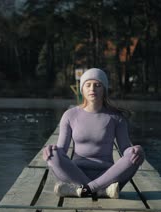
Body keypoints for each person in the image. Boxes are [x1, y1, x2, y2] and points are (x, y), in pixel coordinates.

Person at [42, 68, 145, 198]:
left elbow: (125, 148)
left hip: (108, 176)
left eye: (98, 85)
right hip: (76, 173)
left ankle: (82, 190)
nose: (92, 89)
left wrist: (136, 150)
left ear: (104, 90)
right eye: (88, 85)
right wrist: (51, 151)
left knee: (134, 157)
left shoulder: (116, 117)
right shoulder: (70, 115)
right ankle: (100, 191)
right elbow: (62, 150)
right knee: (53, 154)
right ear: (82, 89)